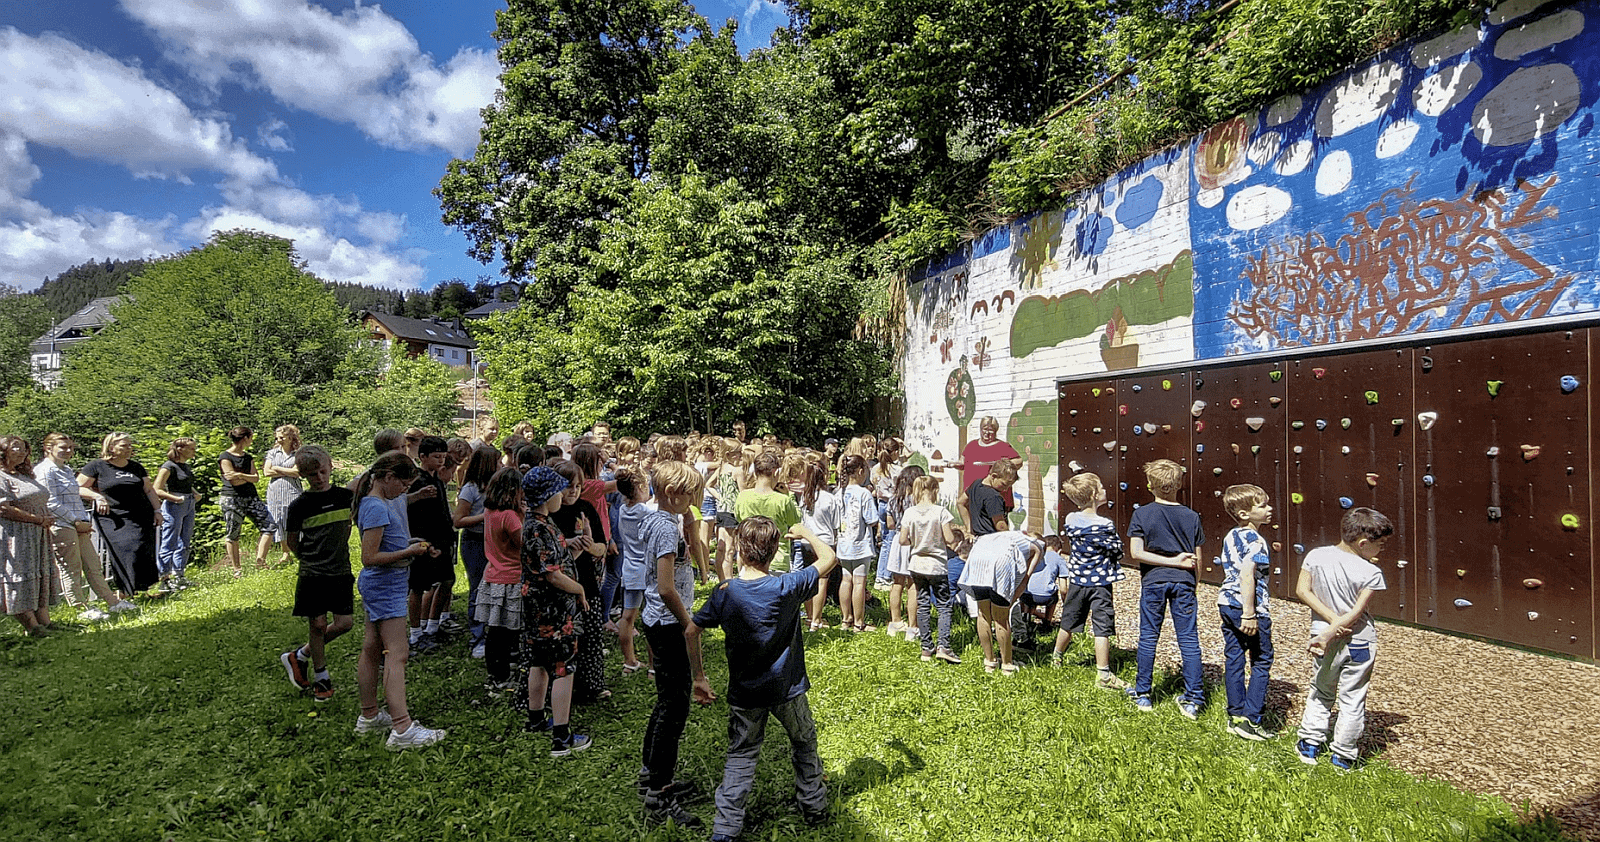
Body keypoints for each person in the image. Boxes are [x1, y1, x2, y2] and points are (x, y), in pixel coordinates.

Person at [688, 517, 834, 840]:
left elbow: (691, 630)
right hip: (787, 689)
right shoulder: (787, 586)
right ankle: (814, 806)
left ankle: (725, 830)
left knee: (741, 756)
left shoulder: (726, 592)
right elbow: (829, 558)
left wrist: (699, 676)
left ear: (739, 549)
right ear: (774, 552)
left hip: (745, 693)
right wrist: (806, 533)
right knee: (804, 742)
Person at [353, 451, 445, 750]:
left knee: (372, 648)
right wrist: (409, 553)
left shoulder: (376, 503)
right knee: (398, 654)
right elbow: (369, 558)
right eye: (403, 485)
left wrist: (413, 544)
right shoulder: (376, 507)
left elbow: (387, 543)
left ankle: (369, 716)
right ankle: (402, 728)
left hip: (384, 585)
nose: (404, 491)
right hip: (385, 586)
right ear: (388, 477)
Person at [1295, 507, 1391, 770]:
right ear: (1363, 543)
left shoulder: (1316, 555)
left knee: (1321, 690)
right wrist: (1337, 625)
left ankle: (1310, 744)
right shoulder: (1372, 573)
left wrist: (1327, 627)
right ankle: (1344, 755)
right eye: (1380, 545)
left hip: (1321, 638)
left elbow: (1302, 590)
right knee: (1353, 698)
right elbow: (1357, 611)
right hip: (1360, 640)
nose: (1381, 551)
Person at [638, 460, 707, 827]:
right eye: (691, 493)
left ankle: (651, 773)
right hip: (668, 623)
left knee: (666, 700)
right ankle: (659, 793)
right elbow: (665, 587)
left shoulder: (658, 518)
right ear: (672, 494)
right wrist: (688, 623)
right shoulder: (665, 530)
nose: (695, 498)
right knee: (674, 708)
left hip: (656, 619)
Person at [518, 465, 595, 758]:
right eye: (559, 491)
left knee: (539, 661)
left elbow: (555, 562)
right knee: (563, 667)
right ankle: (561, 736)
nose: (563, 495)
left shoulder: (539, 523)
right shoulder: (539, 528)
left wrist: (577, 549)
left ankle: (536, 718)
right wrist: (579, 589)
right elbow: (551, 574)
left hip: (537, 608)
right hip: (553, 609)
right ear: (547, 495)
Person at [1127, 459, 1206, 718]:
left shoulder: (1142, 514)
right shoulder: (1192, 516)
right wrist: (1194, 582)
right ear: (1179, 485)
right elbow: (1198, 558)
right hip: (1184, 582)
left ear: (1150, 485)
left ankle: (1143, 694)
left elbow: (1136, 553)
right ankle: (1194, 699)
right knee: (1189, 639)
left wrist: (1168, 561)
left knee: (1149, 636)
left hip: (1153, 581)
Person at [278, 445, 354, 703]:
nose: (319, 478)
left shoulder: (346, 497)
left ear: (331, 467)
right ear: (303, 476)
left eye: (322, 471)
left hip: (341, 569)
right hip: (313, 572)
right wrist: (310, 558)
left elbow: (347, 528)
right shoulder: (300, 505)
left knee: (345, 623)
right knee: (318, 624)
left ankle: (299, 655)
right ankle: (322, 676)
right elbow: (292, 540)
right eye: (312, 475)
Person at [1049, 473, 1127, 691]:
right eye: (1101, 487)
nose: (1104, 489)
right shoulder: (1105, 524)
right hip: (1100, 584)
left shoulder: (1071, 519)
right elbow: (1117, 549)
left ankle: (1056, 656)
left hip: (1077, 581)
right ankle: (1103, 673)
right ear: (1094, 495)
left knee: (1069, 620)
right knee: (1102, 627)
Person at [35, 433, 126, 619]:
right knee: (71, 568)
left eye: (71, 447)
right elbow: (49, 502)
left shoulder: (66, 470)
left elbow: (75, 498)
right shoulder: (44, 470)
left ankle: (112, 602)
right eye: (63, 447)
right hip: (61, 525)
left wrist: (83, 521)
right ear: (48, 448)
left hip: (78, 524)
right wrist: (75, 521)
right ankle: (80, 608)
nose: (68, 451)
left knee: (93, 565)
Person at [1218, 484, 1276, 741]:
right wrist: (1250, 613)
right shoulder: (1257, 542)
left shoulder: (1232, 536)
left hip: (1226, 602)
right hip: (1248, 607)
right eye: (1262, 505)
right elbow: (1247, 574)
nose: (1269, 509)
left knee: (1234, 658)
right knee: (1261, 660)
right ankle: (1251, 719)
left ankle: (1235, 714)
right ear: (1244, 514)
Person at [79, 432, 160, 598]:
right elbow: (78, 487)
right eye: (124, 445)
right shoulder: (96, 466)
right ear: (111, 447)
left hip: (141, 515)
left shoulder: (136, 467)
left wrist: (158, 510)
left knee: (143, 550)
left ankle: (141, 590)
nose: (129, 448)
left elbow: (149, 490)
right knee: (126, 549)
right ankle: (124, 591)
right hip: (113, 518)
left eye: (130, 445)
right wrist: (97, 496)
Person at [958, 529, 1044, 675]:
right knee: (1001, 618)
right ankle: (1007, 665)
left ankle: (989, 663)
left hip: (977, 558)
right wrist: (1009, 602)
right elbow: (1024, 581)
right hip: (1001, 562)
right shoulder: (1038, 547)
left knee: (983, 614)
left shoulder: (1006, 535)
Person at [897, 475, 960, 663]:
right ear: (934, 490)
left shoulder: (910, 512)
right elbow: (949, 539)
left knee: (922, 604)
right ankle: (944, 646)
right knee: (943, 605)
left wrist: (916, 543)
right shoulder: (940, 512)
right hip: (937, 564)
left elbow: (902, 540)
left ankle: (926, 647)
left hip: (916, 563)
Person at [1, 435, 58, 635]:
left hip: (37, 535)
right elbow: (4, 509)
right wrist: (37, 519)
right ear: (3, 451)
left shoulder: (22, 475)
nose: (22, 451)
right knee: (20, 577)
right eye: (16, 447)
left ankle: (45, 622)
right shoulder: (1, 476)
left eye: (25, 448)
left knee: (38, 574)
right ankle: (32, 627)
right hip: (15, 536)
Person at [475, 466, 526, 689]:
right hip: (512, 576)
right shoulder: (510, 516)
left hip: (493, 574)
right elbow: (526, 544)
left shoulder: (491, 512)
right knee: (506, 632)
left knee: (496, 631)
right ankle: (502, 675)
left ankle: (497, 673)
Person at [406, 437, 453, 654]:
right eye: (436, 457)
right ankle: (416, 632)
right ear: (423, 457)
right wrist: (425, 543)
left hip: (442, 539)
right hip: (422, 541)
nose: (441, 461)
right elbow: (412, 515)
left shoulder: (437, 480)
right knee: (418, 587)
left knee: (446, 580)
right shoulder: (417, 480)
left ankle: (432, 626)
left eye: (443, 457)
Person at [454, 445, 500, 658]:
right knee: (477, 589)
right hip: (475, 541)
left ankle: (494, 632)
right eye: (498, 463)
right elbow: (459, 520)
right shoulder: (470, 489)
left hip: (496, 540)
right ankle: (477, 637)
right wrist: (485, 516)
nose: (501, 466)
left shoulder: (499, 486)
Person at [786, 457, 838, 631]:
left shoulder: (805, 497)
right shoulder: (829, 498)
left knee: (810, 579)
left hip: (807, 541)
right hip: (825, 542)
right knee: (822, 581)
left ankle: (809, 617)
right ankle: (817, 618)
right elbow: (836, 524)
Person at [218, 427, 276, 577]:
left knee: (269, 526)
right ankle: (237, 569)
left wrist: (238, 474)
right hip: (232, 499)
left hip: (251, 497)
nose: (251, 440)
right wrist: (244, 477)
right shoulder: (225, 456)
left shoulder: (248, 457)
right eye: (251, 437)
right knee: (233, 533)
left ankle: (260, 561)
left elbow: (256, 478)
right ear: (245, 438)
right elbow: (232, 481)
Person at [733, 453, 802, 576]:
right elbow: (796, 521)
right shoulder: (783, 500)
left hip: (749, 559)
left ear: (755, 473)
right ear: (775, 473)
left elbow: (738, 518)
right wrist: (789, 495)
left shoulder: (742, 496)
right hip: (777, 560)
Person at [614, 468, 655, 675]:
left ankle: (629, 661)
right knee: (653, 616)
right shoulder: (648, 512)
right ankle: (653, 665)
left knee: (627, 616)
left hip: (630, 568)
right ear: (640, 488)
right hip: (648, 570)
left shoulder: (622, 510)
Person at [833, 455, 878, 633]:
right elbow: (872, 519)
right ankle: (859, 622)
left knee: (846, 580)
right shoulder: (864, 494)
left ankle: (846, 619)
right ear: (860, 471)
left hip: (843, 543)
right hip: (860, 544)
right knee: (859, 583)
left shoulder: (838, 493)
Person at [879, 466, 923, 641]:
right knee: (913, 584)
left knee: (896, 583)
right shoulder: (917, 501)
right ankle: (913, 626)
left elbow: (889, 524)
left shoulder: (893, 499)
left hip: (898, 541)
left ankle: (895, 621)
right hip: (913, 541)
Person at [153, 437, 198, 592]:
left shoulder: (185, 466)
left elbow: (186, 484)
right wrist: (175, 498)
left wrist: (194, 493)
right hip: (174, 506)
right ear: (180, 449)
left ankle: (179, 575)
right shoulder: (168, 466)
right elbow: (156, 489)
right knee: (170, 541)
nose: (194, 451)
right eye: (191, 448)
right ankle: (164, 578)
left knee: (185, 541)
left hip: (189, 504)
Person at [948, 416, 1023, 508]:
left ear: (996, 431)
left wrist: (1001, 464)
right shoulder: (971, 445)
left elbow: (1019, 461)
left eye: (991, 430)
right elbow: (963, 463)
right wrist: (954, 464)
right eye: (984, 429)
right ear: (980, 429)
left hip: (994, 496)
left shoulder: (1003, 446)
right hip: (973, 493)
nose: (987, 433)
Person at [264, 425, 303, 568]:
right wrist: (288, 471)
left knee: (294, 520)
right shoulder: (272, 453)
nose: (278, 440)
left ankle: (298, 550)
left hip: (292, 490)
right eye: (277, 437)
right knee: (278, 520)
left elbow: (298, 472)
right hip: (275, 492)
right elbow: (267, 472)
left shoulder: (298, 453)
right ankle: (285, 553)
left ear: (290, 437)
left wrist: (277, 468)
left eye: (282, 437)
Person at [958, 460, 1016, 536]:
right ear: (993, 476)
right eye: (1004, 484)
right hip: (991, 540)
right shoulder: (993, 496)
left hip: (977, 538)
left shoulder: (976, 484)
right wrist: (1010, 539)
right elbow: (1000, 525)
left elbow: (960, 502)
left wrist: (969, 529)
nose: (1005, 489)